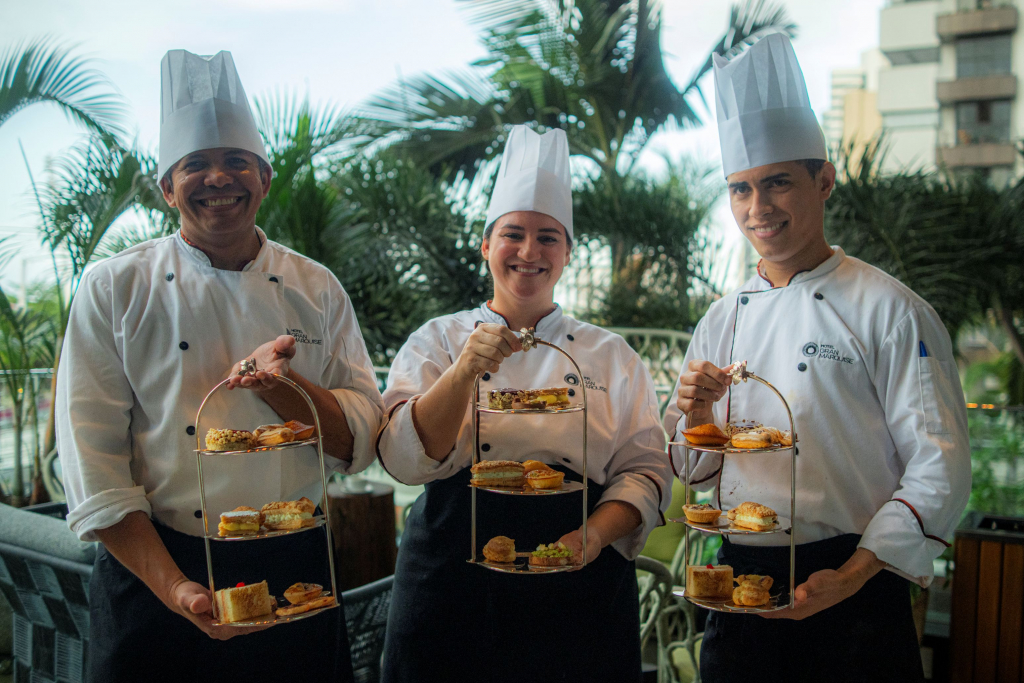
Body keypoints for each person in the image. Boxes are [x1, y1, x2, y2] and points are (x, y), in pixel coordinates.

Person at [56, 49, 383, 682]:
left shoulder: (315, 288)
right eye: (195, 165)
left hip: (296, 567)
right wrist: (176, 588)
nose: (218, 179)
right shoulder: (114, 288)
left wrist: (284, 389)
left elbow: (361, 438)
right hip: (154, 570)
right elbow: (93, 466)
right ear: (165, 186)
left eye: (236, 161)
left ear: (264, 177)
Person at [663, 33, 971, 682]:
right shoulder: (721, 318)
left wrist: (854, 572)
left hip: (854, 586)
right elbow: (693, 471)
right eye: (741, 190)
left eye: (776, 183)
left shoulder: (890, 308)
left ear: (823, 180)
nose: (758, 208)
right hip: (736, 588)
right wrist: (696, 410)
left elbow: (939, 465)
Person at [377, 125, 672, 683]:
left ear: (567, 253)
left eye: (548, 237)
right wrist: (465, 370)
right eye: (513, 234)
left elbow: (646, 470)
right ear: (486, 245)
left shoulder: (611, 356)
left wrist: (593, 537)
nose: (529, 252)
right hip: (450, 573)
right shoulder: (437, 340)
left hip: (578, 573)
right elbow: (404, 458)